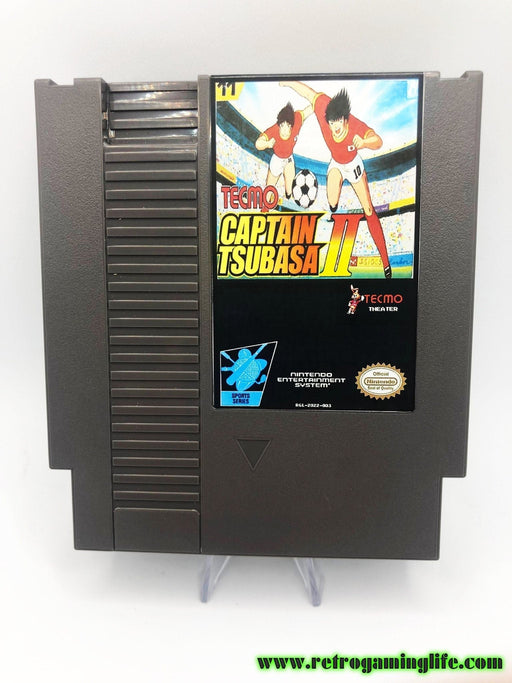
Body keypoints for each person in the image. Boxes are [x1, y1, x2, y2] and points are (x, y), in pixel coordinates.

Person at [280, 81, 392, 278]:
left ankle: (385, 263)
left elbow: (378, 140)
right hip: (336, 164)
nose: (334, 127)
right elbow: (308, 93)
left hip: (353, 165)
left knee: (368, 209)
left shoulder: (356, 126)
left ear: (345, 118)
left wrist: (364, 142)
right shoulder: (323, 106)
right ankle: (334, 202)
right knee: (332, 203)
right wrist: (288, 82)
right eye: (331, 123)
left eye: (338, 122)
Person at [255, 101, 312, 200]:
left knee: (290, 191)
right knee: (268, 192)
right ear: (279, 124)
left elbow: (309, 110)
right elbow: (258, 144)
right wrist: (267, 144)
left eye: (288, 126)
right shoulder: (273, 130)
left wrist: (322, 103)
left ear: (292, 125)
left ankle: (287, 194)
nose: (285, 130)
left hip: (288, 159)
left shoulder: (297, 120)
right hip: (277, 160)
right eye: (282, 126)